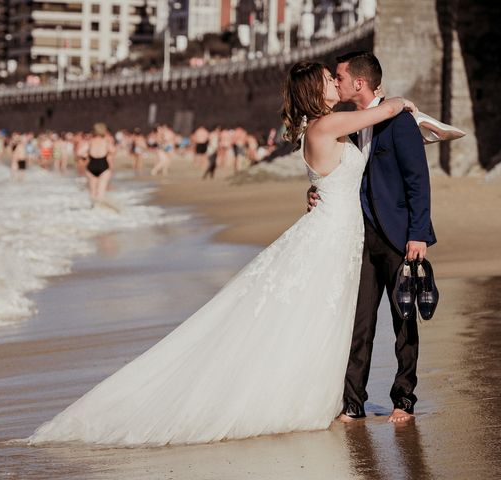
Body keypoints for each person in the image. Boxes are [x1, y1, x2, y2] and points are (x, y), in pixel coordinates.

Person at [25, 61, 415, 447]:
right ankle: (299, 393)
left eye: (336, 77)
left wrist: (314, 193)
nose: (335, 82)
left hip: (339, 231)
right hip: (333, 235)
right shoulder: (327, 124)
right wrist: (404, 103)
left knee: (320, 315)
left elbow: (329, 177)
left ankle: (325, 393)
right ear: (316, 91)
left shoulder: (322, 127)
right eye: (329, 80)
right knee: (312, 314)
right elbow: (385, 109)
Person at [308, 51, 437, 424]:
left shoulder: (399, 123)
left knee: (404, 319)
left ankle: (404, 398)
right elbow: (333, 170)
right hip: (358, 239)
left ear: (358, 83)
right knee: (359, 322)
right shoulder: (346, 125)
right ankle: (353, 402)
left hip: (399, 239)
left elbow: (418, 182)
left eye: (340, 76)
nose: (337, 81)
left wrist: (418, 235)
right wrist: (316, 191)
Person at [85, 123, 114, 205]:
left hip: (91, 165)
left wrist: (87, 154)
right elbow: (112, 151)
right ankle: (100, 212)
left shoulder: (90, 141)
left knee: (92, 192)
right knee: (101, 193)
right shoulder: (106, 141)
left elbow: (80, 152)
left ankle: (92, 209)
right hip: (103, 165)